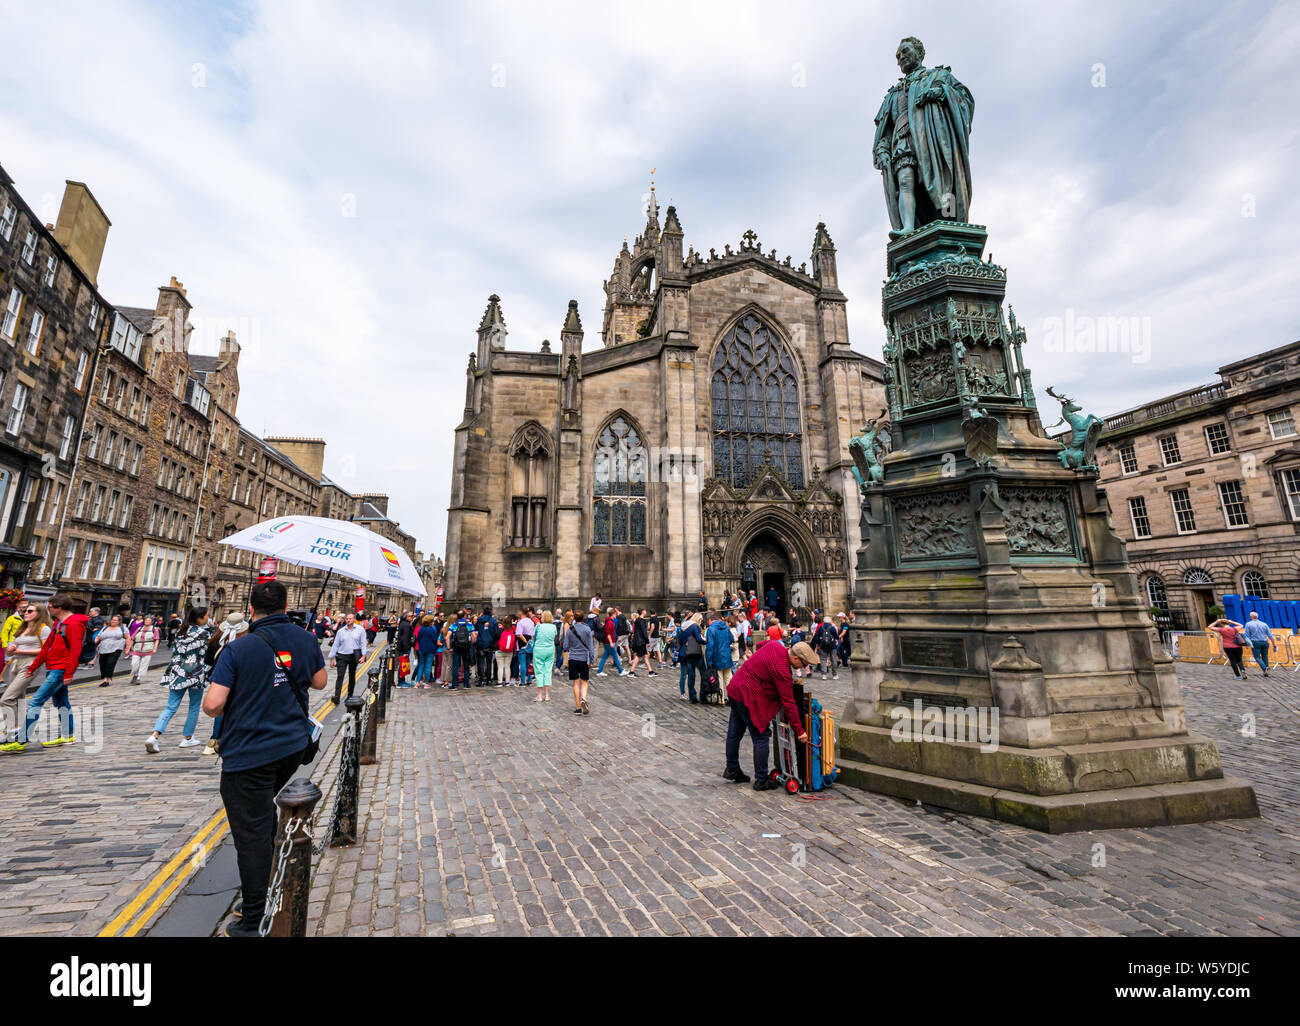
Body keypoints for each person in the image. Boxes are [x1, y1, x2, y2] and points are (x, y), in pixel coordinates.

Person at [203, 580, 327, 937]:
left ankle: (255, 915)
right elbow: (319, 682)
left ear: (251, 609)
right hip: (291, 748)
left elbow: (212, 705)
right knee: (263, 820)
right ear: (286, 606)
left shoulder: (238, 649)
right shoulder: (305, 639)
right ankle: (268, 887)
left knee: (252, 835)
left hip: (249, 754)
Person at [724, 640, 816, 789]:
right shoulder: (783, 671)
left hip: (736, 687)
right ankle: (761, 780)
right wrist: (799, 731)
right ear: (795, 658)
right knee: (761, 735)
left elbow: (760, 644)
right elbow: (789, 703)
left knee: (735, 732)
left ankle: (732, 769)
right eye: (804, 664)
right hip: (747, 695)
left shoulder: (774, 645)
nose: (805, 667)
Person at [2, 593, 86, 752]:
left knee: (35, 702)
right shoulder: (58, 623)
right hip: (52, 667)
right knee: (61, 703)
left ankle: (20, 741)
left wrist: (69, 673)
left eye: (50, 607)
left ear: (59, 608)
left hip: (60, 669)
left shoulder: (74, 624)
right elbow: (47, 647)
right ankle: (68, 735)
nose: (48, 610)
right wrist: (34, 667)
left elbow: (75, 650)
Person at [145, 606, 214, 752]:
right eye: (207, 616)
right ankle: (187, 738)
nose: (208, 618)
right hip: (195, 673)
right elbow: (209, 652)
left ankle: (154, 736)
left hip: (177, 672)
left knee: (171, 707)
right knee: (194, 707)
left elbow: (175, 652)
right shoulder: (204, 633)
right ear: (199, 618)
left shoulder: (181, 632)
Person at [202, 612, 251, 756]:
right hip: (238, 677)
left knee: (220, 707)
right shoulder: (245, 642)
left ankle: (214, 740)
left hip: (218, 677)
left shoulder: (215, 640)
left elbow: (208, 661)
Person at [1, 602, 50, 743]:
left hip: (30, 664)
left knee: (6, 699)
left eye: (30, 611)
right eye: (25, 610)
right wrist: (12, 648)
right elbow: (16, 645)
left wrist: (20, 650)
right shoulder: (23, 627)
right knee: (18, 698)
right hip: (16, 663)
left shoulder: (43, 628)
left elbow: (45, 650)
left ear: (39, 613)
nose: (26, 613)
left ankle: (14, 729)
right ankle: (22, 730)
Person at [329, 611, 368, 702]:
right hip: (342, 656)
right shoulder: (341, 631)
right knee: (340, 676)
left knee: (352, 676)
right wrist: (331, 658)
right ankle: (337, 697)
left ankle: (350, 695)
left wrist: (363, 655)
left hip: (354, 655)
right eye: (347, 619)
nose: (348, 620)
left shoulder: (360, 630)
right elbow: (335, 645)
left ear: (354, 619)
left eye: (350, 619)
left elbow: (363, 643)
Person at [564, 613, 595, 715]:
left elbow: (565, 646)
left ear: (574, 618)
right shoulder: (587, 630)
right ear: (583, 618)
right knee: (584, 681)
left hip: (573, 658)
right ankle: (584, 699)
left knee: (576, 683)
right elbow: (591, 646)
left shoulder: (570, 629)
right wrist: (592, 659)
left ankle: (578, 708)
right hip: (583, 659)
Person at [705, 610, 735, 700]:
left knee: (719, 679)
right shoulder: (725, 627)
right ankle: (732, 698)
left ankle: (721, 699)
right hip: (727, 656)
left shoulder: (711, 629)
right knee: (728, 679)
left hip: (717, 657)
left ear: (711, 620)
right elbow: (731, 639)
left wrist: (709, 660)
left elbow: (709, 646)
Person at [677, 611, 706, 703]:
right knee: (703, 674)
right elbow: (698, 639)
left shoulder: (683, 626)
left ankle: (692, 697)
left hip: (686, 653)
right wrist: (705, 640)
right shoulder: (695, 626)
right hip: (696, 653)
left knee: (690, 676)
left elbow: (680, 639)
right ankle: (703, 696)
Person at [94, 614, 129, 688]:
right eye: (112, 620)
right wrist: (96, 639)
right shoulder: (105, 628)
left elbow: (128, 638)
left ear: (119, 621)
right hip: (103, 648)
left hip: (116, 648)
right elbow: (99, 636)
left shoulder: (123, 628)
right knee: (102, 664)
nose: (113, 621)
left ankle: (106, 680)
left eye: (115, 620)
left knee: (110, 663)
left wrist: (127, 648)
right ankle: (104, 677)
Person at [531, 610, 558, 703]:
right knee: (547, 671)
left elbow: (533, 637)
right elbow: (554, 637)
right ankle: (547, 695)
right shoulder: (553, 627)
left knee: (539, 672)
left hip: (539, 650)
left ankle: (539, 695)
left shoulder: (538, 626)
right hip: (550, 650)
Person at [446, 608, 476, 690]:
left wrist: (449, 647)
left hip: (456, 647)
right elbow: (474, 636)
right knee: (466, 666)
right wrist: (471, 643)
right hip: (466, 646)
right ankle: (466, 684)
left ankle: (455, 685)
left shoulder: (453, 625)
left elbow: (447, 637)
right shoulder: (469, 624)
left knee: (455, 666)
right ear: (464, 616)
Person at [128, 615, 162, 684]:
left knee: (144, 664)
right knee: (134, 664)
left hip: (148, 649)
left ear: (152, 622)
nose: (147, 621)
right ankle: (135, 674)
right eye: (146, 620)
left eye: (149, 620)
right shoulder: (139, 628)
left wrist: (155, 648)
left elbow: (157, 640)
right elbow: (132, 639)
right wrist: (128, 648)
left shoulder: (154, 629)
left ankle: (138, 677)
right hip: (137, 648)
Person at [1241, 612, 1274, 677]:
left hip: (1255, 642)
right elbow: (1270, 635)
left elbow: (1247, 635)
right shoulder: (1264, 624)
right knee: (1265, 656)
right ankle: (1266, 669)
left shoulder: (1248, 624)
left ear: (1250, 617)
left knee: (1257, 657)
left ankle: (1265, 668)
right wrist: (1274, 644)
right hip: (1265, 642)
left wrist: (1247, 644)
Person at [596, 611, 627, 677]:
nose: (616, 615)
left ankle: (599, 671)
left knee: (604, 657)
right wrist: (611, 642)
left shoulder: (608, 621)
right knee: (615, 656)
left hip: (607, 642)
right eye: (615, 614)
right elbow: (608, 633)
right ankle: (621, 670)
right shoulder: (610, 622)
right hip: (609, 642)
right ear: (613, 614)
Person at [474, 605, 499, 686]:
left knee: (481, 663)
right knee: (489, 663)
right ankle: (488, 679)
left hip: (481, 643)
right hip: (490, 644)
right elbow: (497, 633)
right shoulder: (494, 621)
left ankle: (482, 679)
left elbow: (476, 629)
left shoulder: (479, 620)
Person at [413, 614, 439, 687]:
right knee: (428, 666)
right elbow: (435, 639)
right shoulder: (431, 629)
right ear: (430, 622)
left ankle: (418, 682)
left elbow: (418, 638)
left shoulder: (421, 628)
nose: (433, 622)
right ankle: (426, 683)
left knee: (421, 665)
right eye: (432, 621)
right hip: (430, 649)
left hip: (421, 649)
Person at [813, 616, 840, 680]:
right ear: (829, 621)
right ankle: (835, 675)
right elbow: (837, 637)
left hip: (823, 646)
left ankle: (824, 675)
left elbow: (817, 638)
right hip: (832, 646)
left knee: (823, 660)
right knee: (833, 660)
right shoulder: (832, 628)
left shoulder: (820, 628)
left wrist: (817, 645)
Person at [496, 615, 517, 686]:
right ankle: (507, 682)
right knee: (507, 666)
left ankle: (500, 682)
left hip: (500, 650)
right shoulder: (513, 631)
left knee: (500, 667)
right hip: (509, 651)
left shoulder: (500, 630)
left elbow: (496, 638)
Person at [396, 611, 414, 684]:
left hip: (402, 647)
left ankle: (402, 680)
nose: (412, 618)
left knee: (403, 665)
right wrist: (406, 651)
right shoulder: (406, 625)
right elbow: (405, 638)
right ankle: (401, 682)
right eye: (411, 616)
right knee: (402, 665)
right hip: (404, 648)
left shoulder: (403, 623)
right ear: (406, 617)